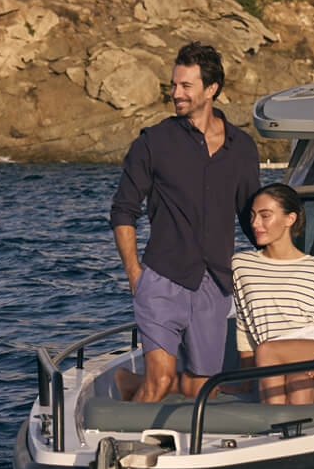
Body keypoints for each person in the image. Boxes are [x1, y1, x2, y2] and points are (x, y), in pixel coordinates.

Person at [110, 41, 261, 403]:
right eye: (173, 85)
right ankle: (129, 436)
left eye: (186, 86)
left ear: (211, 89)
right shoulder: (153, 142)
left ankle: (130, 384)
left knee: (200, 388)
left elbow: (250, 216)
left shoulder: (242, 147)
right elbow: (123, 211)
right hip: (163, 278)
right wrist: (135, 275)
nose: (176, 93)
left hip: (215, 285)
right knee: (159, 381)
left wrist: (283, 263)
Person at [231, 183, 314, 405]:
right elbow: (244, 328)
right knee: (298, 388)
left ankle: (273, 421)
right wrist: (245, 382)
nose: (255, 223)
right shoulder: (241, 265)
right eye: (252, 216)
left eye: (265, 216)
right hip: (281, 365)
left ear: (290, 219)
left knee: (267, 351)